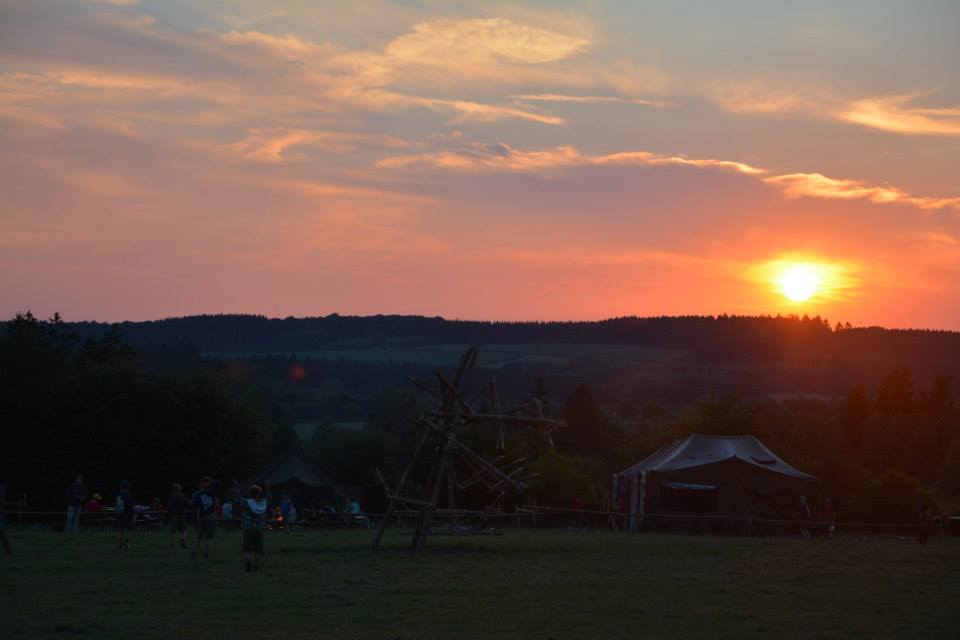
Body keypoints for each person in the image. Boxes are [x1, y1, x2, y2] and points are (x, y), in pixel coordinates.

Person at [241, 485, 269, 573]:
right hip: (259, 529)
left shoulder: (246, 502)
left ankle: (248, 564)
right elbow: (269, 497)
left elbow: (237, 500)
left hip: (248, 528)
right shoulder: (263, 503)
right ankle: (256, 565)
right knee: (258, 549)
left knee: (247, 548)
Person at [190, 476, 218, 560]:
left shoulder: (197, 494)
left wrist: (195, 518)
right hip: (210, 516)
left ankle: (195, 552)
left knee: (199, 536)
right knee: (208, 537)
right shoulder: (212, 493)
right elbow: (215, 505)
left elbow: (195, 507)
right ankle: (206, 553)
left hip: (201, 516)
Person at [167, 483, 188, 550]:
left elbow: (169, 507)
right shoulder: (182, 496)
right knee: (183, 529)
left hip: (174, 515)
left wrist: (170, 512)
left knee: (172, 530)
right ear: (179, 489)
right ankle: (182, 539)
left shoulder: (172, 497)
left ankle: (172, 543)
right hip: (181, 514)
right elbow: (186, 504)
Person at [115, 480, 134, 549]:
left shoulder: (118, 494)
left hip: (119, 513)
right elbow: (130, 505)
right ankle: (127, 542)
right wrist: (132, 514)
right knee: (130, 529)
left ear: (121, 486)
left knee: (121, 530)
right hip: (126, 514)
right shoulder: (127, 495)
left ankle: (119, 544)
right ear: (128, 487)